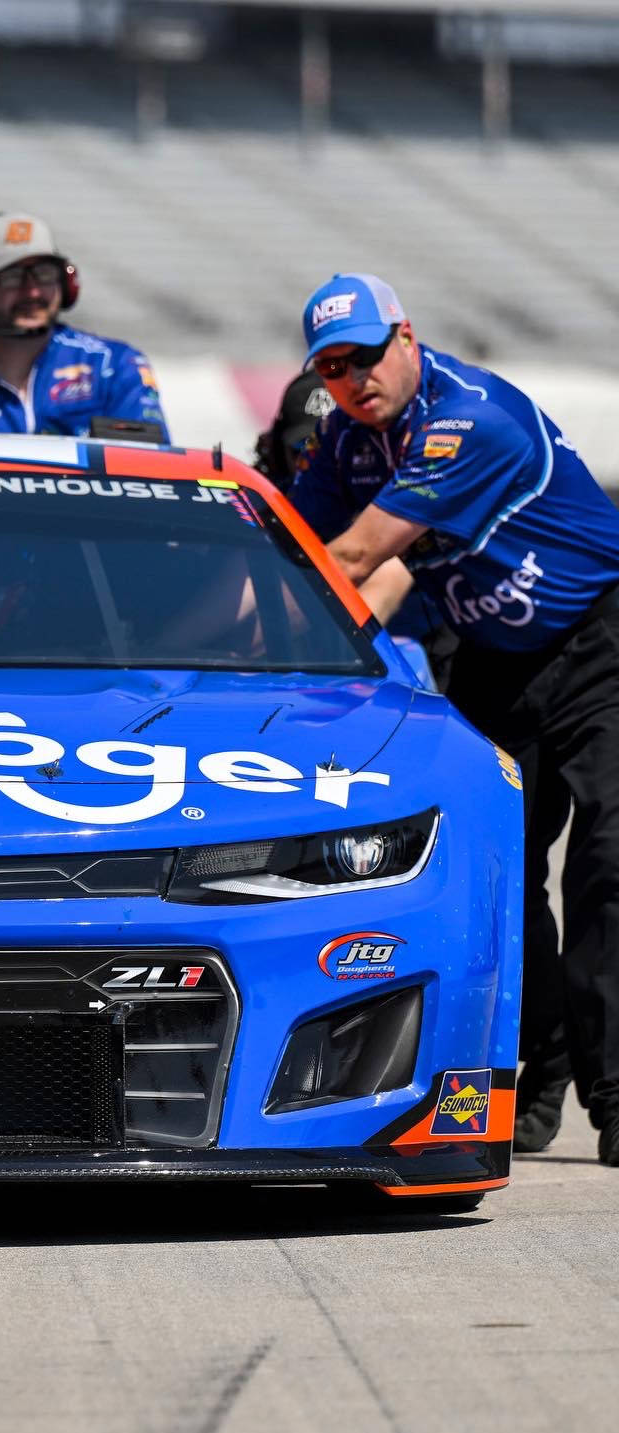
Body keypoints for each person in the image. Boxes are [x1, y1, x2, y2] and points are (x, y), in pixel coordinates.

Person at [287, 272, 619, 1165]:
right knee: (500, 879)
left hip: (600, 640)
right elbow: (288, 555)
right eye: (333, 365)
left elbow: (354, 557)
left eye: (366, 354)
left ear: (408, 335)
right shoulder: (346, 439)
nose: (355, 378)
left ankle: (617, 1091)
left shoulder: (469, 417)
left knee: (607, 866)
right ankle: (538, 1081)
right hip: (496, 665)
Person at [255, 366, 456, 692]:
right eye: (303, 451)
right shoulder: (264, 496)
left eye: (330, 449)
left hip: (424, 667)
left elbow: (373, 595)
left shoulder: (406, 498)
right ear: (276, 449)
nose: (320, 462)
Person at [0, 212, 169, 438]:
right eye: (12, 277)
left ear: (66, 284)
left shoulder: (113, 366)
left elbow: (153, 473)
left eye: (44, 274)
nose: (33, 292)